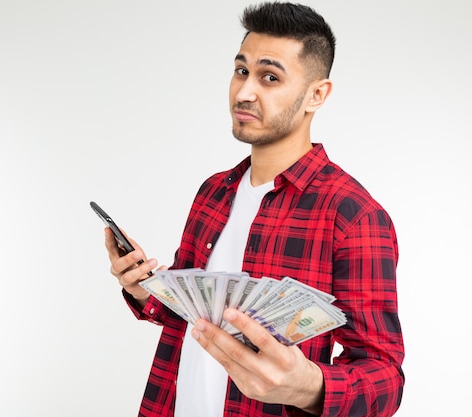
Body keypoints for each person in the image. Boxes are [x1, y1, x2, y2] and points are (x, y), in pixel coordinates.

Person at [103, 2, 405, 416]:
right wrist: (144, 290)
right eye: (241, 71)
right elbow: (192, 316)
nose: (244, 92)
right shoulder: (213, 191)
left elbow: (384, 376)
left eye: (270, 77)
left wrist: (309, 387)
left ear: (316, 94)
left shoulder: (353, 215)